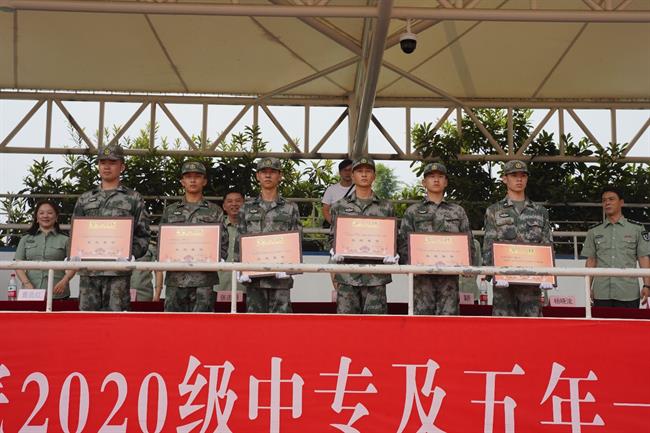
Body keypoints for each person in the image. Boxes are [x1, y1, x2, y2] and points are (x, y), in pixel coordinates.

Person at [72, 144, 150, 311]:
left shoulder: (134, 198)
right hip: (89, 272)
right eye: (102, 162)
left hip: (118, 273)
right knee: (87, 321)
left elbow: (143, 235)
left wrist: (128, 254)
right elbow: (75, 234)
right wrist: (75, 253)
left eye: (112, 162)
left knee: (117, 321)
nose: (107, 167)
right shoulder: (85, 199)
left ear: (122, 167)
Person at [398, 162, 476, 315]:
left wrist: (468, 265)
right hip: (422, 278)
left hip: (449, 278)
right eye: (431, 177)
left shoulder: (457, 211)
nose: (436, 180)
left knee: (448, 321)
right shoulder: (413, 211)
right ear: (424, 182)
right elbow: (404, 243)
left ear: (446, 182)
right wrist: (409, 266)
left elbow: (468, 241)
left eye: (440, 177)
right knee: (422, 321)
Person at [482, 160, 553, 317]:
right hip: (503, 283)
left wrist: (548, 275)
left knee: (531, 327)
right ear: (505, 179)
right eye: (514, 175)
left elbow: (547, 244)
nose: (519, 179)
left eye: (523, 175)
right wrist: (492, 273)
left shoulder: (540, 211)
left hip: (531, 283)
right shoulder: (494, 210)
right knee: (504, 327)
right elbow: (488, 245)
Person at [156, 161, 229, 312]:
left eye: (197, 176)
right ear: (182, 181)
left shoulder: (215, 211)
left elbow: (223, 242)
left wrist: (215, 258)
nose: (193, 180)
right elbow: (161, 242)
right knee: (173, 323)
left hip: (204, 279)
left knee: (202, 323)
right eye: (188, 177)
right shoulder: (170, 211)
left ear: (204, 181)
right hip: (176, 279)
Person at [329, 157, 396, 314]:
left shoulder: (386, 207)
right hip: (347, 276)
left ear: (374, 176)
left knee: (376, 324)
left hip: (376, 277)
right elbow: (332, 236)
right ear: (352, 176)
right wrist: (335, 249)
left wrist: (392, 251)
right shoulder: (339, 206)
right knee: (347, 324)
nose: (364, 175)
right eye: (359, 171)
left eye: (368, 171)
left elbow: (392, 236)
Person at [236, 157, 302, 313]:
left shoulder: (290, 207)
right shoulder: (246, 208)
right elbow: (240, 239)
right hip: (254, 277)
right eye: (263, 172)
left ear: (280, 176)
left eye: (272, 172)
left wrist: (292, 267)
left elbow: (297, 238)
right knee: (255, 322)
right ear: (257, 176)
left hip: (280, 278)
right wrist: (240, 268)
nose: (267, 175)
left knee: (281, 323)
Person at [581, 187, 650, 308]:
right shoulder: (594, 231)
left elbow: (643, 258)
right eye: (604, 200)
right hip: (601, 292)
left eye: (611, 199)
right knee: (601, 322)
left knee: (628, 322)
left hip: (628, 292)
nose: (607, 202)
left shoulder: (636, 229)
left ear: (621, 202)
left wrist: (647, 285)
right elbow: (591, 261)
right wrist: (588, 288)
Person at [14, 201, 75, 299]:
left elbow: (75, 264)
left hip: (57, 293)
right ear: (36, 218)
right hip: (31, 292)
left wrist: (65, 281)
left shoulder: (66, 239)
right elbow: (17, 265)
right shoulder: (25, 238)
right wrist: (27, 283)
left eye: (50, 213)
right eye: (41, 213)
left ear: (56, 217)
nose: (45, 216)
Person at [216, 189, 246, 294]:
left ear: (244, 205)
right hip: (219, 286)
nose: (234, 204)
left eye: (238, 201)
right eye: (229, 201)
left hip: (245, 287)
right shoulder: (216, 228)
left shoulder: (252, 229)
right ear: (224, 206)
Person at [322, 159, 355, 226]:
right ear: (340, 172)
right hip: (337, 227)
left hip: (354, 226)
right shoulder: (331, 189)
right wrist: (334, 223)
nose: (347, 173)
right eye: (345, 170)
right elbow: (325, 210)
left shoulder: (359, 189)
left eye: (350, 170)